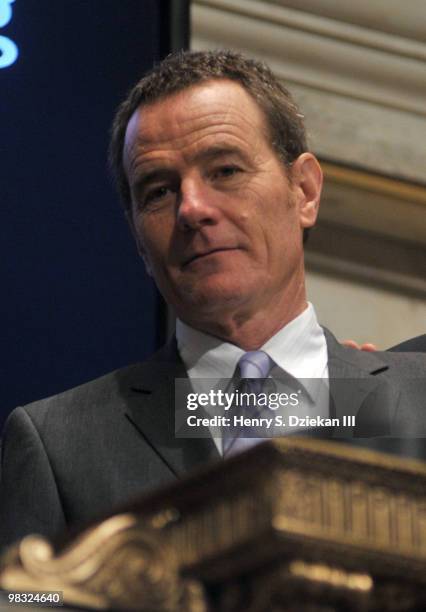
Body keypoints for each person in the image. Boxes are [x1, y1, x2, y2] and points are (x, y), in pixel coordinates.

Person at [1, 50, 425, 550]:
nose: (193, 209)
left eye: (224, 170)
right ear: (138, 239)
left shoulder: (414, 398)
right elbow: (25, 598)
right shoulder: (58, 442)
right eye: (158, 192)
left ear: (304, 191)